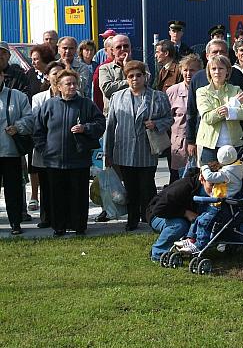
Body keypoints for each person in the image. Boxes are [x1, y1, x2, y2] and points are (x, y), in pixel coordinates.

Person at [33, 69, 105, 236]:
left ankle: (79, 226)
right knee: (57, 196)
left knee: (78, 195)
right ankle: (59, 227)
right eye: (68, 84)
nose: (72, 87)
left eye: (74, 83)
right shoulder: (49, 105)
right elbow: (38, 130)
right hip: (54, 160)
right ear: (59, 86)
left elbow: (100, 123)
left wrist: (85, 128)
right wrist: (45, 149)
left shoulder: (86, 104)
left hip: (78, 159)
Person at [104, 60, 173, 231]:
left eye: (138, 75)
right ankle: (132, 219)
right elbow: (111, 126)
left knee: (147, 187)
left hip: (147, 150)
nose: (135, 79)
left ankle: (151, 218)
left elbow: (169, 119)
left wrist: (156, 124)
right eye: (130, 76)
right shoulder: (117, 97)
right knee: (130, 187)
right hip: (124, 150)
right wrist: (108, 153)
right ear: (126, 78)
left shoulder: (157, 96)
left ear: (145, 76)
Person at [186, 39, 243, 163]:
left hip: (233, 138)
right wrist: (190, 140)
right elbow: (191, 111)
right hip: (207, 138)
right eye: (215, 52)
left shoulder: (236, 75)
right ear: (207, 55)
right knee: (210, 176)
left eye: (222, 52)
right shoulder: (198, 78)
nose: (219, 55)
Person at [176, 145, 243, 255]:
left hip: (223, 206)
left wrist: (204, 167)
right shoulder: (235, 168)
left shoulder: (228, 173)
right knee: (198, 219)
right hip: (218, 204)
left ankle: (199, 245)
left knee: (204, 222)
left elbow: (210, 177)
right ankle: (191, 239)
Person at [195, 54, 243, 165]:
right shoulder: (202, 92)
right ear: (209, 72)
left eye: (221, 68)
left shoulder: (236, 90)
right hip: (210, 146)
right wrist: (233, 103)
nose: (217, 72)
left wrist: (232, 112)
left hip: (235, 144)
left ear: (227, 71)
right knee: (211, 180)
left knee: (235, 180)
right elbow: (208, 118)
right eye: (213, 69)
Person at [30, 61, 66, 228]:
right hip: (44, 147)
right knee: (46, 184)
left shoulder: (73, 95)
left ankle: (65, 217)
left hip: (65, 149)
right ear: (47, 76)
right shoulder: (38, 98)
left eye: (61, 74)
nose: (57, 77)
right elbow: (37, 123)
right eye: (54, 74)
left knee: (63, 185)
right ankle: (46, 218)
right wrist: (44, 146)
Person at [0, 64, 34, 235]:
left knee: (13, 189)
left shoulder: (17, 96)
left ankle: (15, 222)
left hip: (10, 151)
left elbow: (30, 119)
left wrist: (18, 127)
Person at [146, 167, 201, 262]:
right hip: (157, 215)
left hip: (178, 215)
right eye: (212, 184)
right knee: (179, 225)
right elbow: (158, 209)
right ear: (202, 179)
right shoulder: (184, 186)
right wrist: (185, 213)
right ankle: (158, 253)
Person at [166, 54, 202, 185]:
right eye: (185, 70)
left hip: (201, 143)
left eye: (192, 70)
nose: (188, 73)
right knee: (178, 183)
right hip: (179, 145)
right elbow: (166, 119)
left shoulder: (204, 90)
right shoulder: (172, 91)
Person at [98, 34, 132, 114]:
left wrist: (127, 67)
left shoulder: (142, 66)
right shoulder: (104, 68)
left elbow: (144, 84)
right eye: (118, 47)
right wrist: (131, 81)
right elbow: (107, 89)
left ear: (130, 48)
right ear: (112, 51)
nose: (123, 49)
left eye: (126, 46)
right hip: (113, 115)